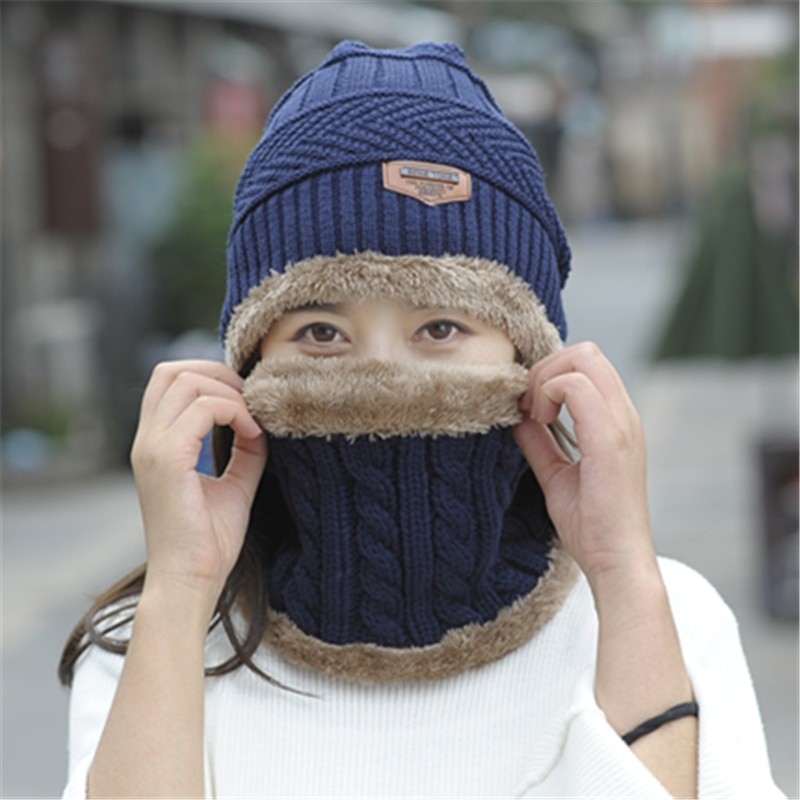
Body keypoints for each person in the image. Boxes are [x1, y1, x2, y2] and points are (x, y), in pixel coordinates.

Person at [59, 41, 782, 799]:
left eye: (440, 328)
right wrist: (181, 587)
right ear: (248, 365)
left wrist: (623, 571)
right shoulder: (155, 640)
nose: (382, 375)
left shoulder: (664, 617)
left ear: (532, 360)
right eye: (320, 332)